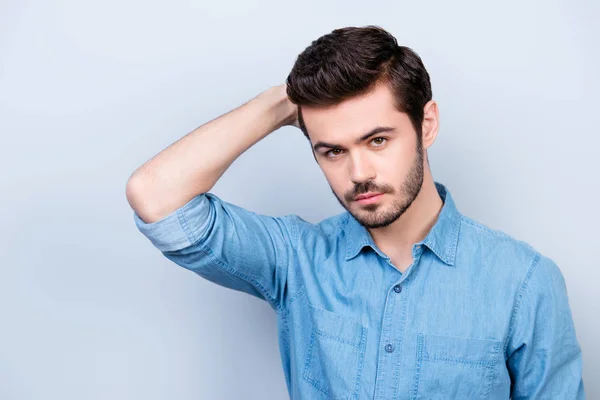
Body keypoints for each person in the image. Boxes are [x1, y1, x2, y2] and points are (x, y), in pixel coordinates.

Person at [126, 25, 584, 399]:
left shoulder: (524, 281)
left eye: (377, 140)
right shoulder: (295, 260)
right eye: (332, 151)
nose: (358, 172)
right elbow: (155, 197)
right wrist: (284, 101)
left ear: (426, 125)